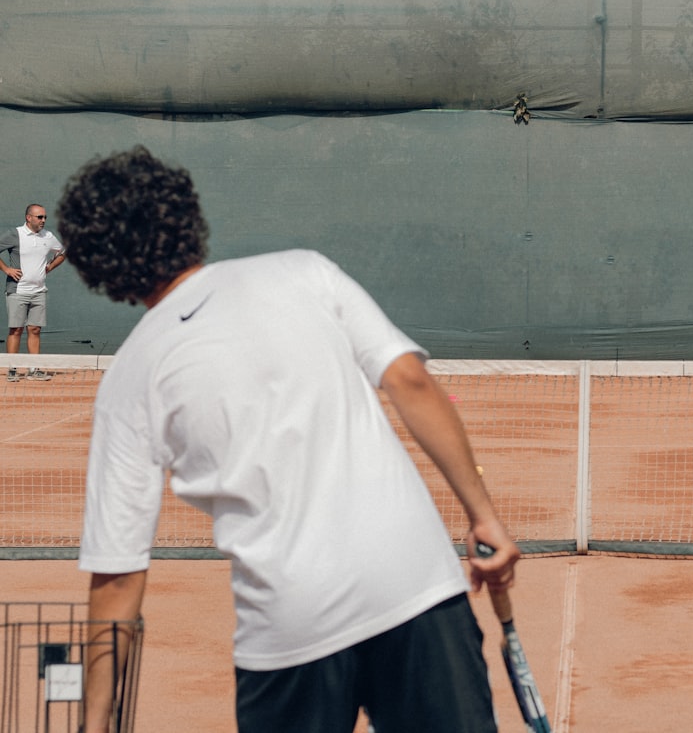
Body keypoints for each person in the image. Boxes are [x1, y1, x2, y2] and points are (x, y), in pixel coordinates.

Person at [57, 146, 520, 733]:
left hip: (290, 630)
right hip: (416, 587)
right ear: (184, 214)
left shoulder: (130, 377)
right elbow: (410, 381)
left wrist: (93, 723)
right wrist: (485, 517)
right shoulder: (306, 270)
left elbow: (118, 576)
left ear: (99, 266)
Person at [0, 203, 66, 381]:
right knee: (16, 330)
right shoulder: (15, 234)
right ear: (29, 218)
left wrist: (50, 267)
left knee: (35, 330)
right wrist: (7, 269)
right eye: (40, 217)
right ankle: (12, 369)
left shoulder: (48, 236)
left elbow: (63, 252)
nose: (43, 220)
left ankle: (33, 369)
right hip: (17, 291)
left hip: (39, 292)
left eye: (45, 217)